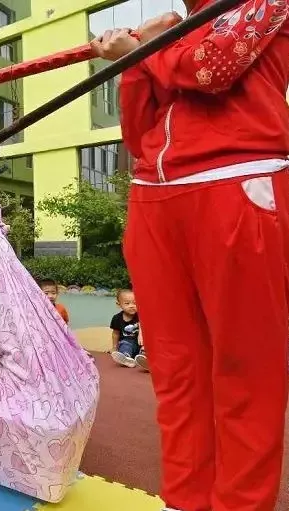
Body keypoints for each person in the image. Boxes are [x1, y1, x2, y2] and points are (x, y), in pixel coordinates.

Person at [91, 3, 289, 510]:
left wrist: (142, 49)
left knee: (248, 371)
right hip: (153, 198)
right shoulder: (173, 26)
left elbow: (214, 67)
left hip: (238, 182)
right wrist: (133, 65)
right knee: (176, 370)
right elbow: (137, 135)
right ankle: (183, 500)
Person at [109, 289, 143, 369]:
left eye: (135, 303)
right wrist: (114, 347)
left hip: (140, 343)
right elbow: (115, 333)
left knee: (146, 348)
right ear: (119, 304)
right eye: (127, 303)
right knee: (125, 345)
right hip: (127, 342)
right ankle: (126, 358)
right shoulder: (117, 318)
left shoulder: (141, 316)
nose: (131, 306)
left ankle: (143, 359)